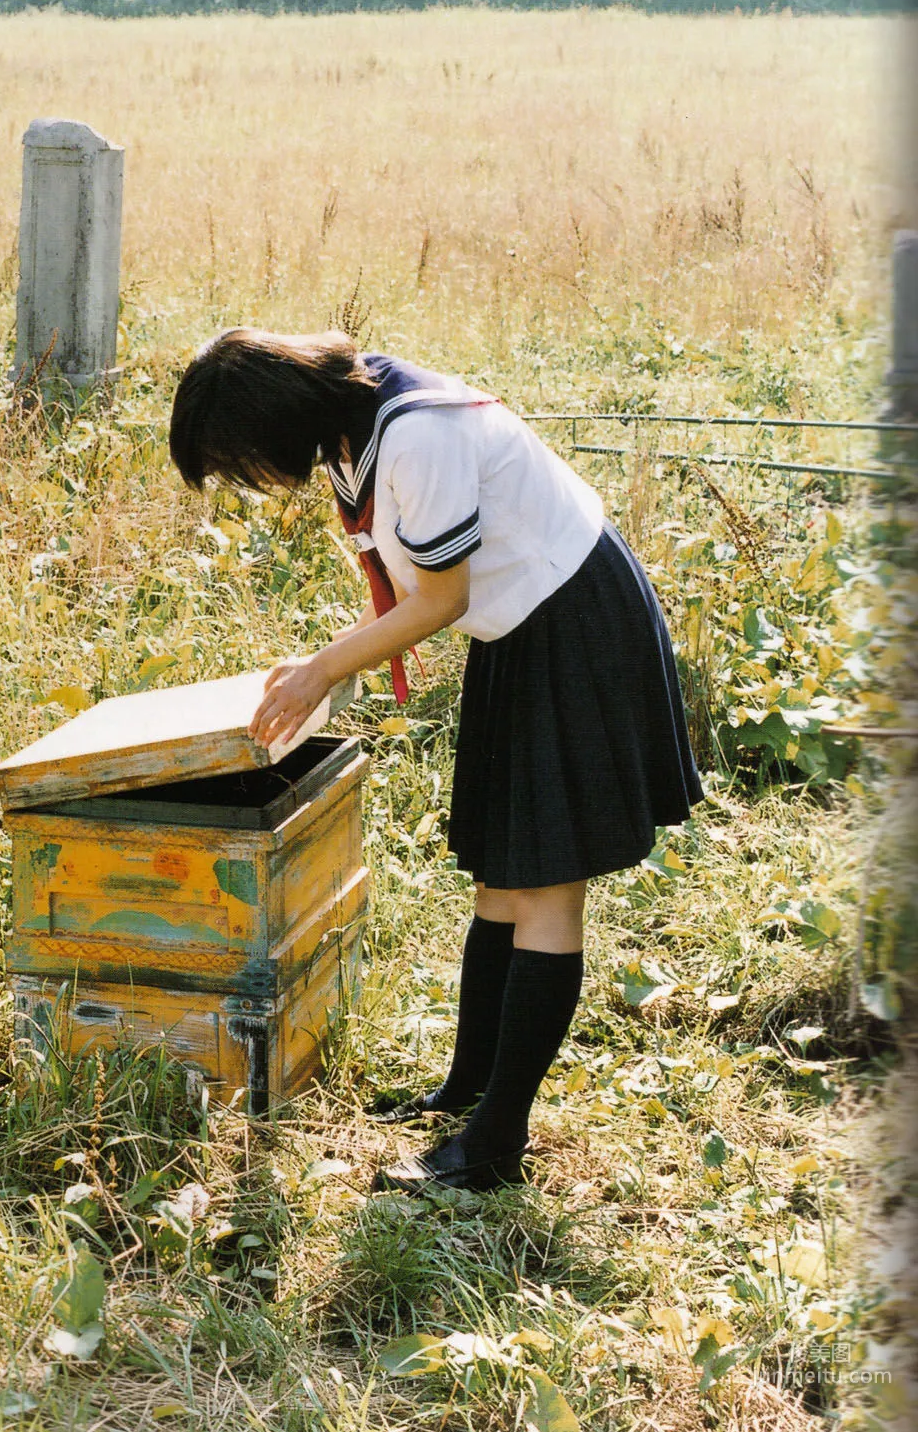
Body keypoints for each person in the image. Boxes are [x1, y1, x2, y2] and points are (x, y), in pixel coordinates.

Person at [169, 328, 703, 1195]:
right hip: (521, 624)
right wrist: (326, 662)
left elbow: (442, 596)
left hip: (569, 617)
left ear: (267, 420)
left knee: (544, 885)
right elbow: (422, 579)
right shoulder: (353, 425)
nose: (248, 480)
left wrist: (324, 667)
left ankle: (496, 1140)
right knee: (501, 874)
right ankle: (466, 1089)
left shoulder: (414, 433)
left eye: (237, 461)